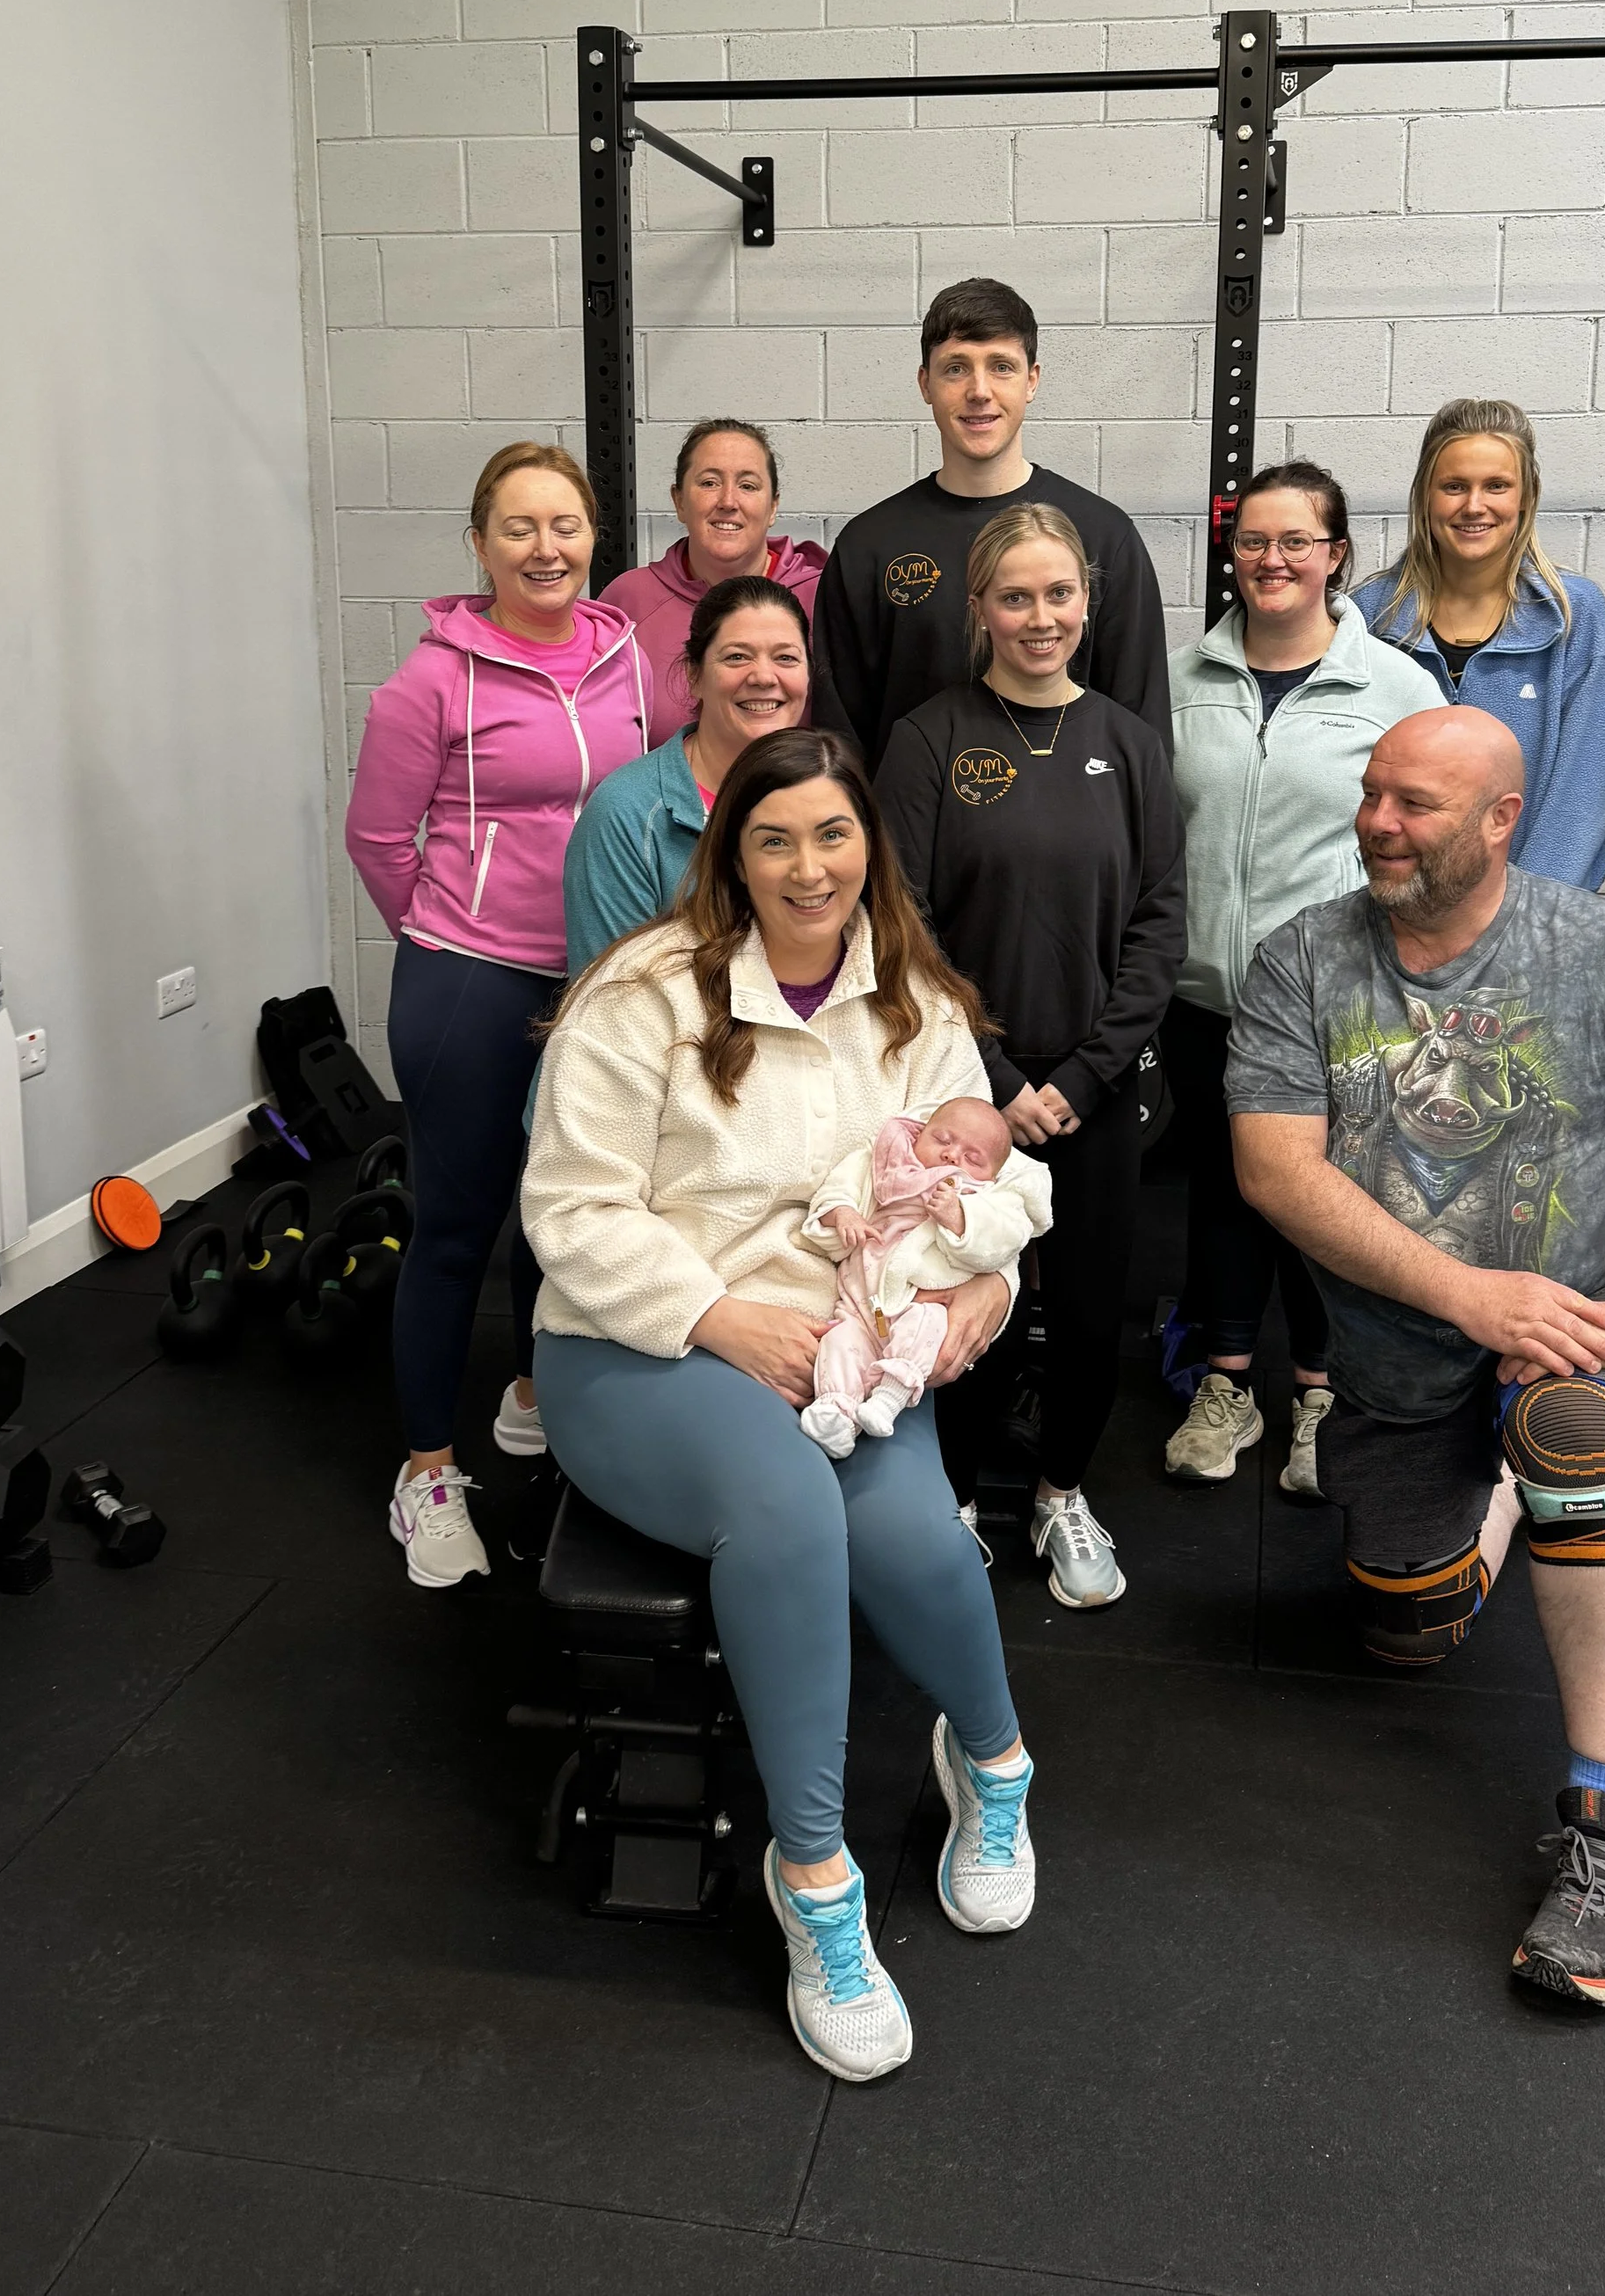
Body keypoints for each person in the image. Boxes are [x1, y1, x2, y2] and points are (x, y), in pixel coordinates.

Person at [1229, 705, 1605, 2007]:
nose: (1377, 820)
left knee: (1572, 1434)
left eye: (1414, 803)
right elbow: (1272, 1166)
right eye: (1373, 793)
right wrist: (1466, 1297)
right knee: (1404, 1631)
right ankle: (1484, 1501)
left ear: (1499, 821)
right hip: (1405, 1358)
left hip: (1577, 1341)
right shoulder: (1301, 960)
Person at [524, 731, 1035, 2084]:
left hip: (841, 1347)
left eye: (833, 835)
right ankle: (816, 1882)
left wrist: (988, 1289)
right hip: (641, 1340)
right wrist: (713, 1315)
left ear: (870, 844)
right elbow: (568, 1213)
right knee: (791, 1516)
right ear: (730, 856)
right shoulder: (642, 997)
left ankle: (994, 1766)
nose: (809, 867)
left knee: (924, 1542)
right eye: (775, 839)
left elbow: (971, 1187)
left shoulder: (915, 1001)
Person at [345, 441, 652, 1590]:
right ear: (480, 543)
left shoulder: (624, 658)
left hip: (593, 981)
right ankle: (426, 1471)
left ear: (592, 539)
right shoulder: (429, 681)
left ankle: (533, 1394)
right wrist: (447, 935)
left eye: (564, 525)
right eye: (518, 527)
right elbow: (379, 840)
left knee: (557, 1217)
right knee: (457, 1230)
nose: (545, 547)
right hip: (471, 979)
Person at [878, 503, 1186, 1608]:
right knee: (962, 1300)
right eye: (1016, 596)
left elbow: (1159, 930)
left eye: (1060, 594)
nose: (1040, 616)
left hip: (1095, 1092)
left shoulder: (1129, 743)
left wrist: (1078, 1081)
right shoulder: (929, 740)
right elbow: (902, 924)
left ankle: (1060, 1495)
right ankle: (954, 1500)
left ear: (1087, 602)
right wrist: (1001, 1089)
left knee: (1093, 1310)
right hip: (964, 1091)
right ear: (980, 610)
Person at [1164, 459, 1441, 1495]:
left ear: (1335, 556)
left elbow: (1429, 838)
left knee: (1327, 1204)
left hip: (1336, 1001)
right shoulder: (1181, 679)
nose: (1270, 560)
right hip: (1204, 996)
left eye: (1296, 542)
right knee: (1227, 1197)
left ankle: (1321, 1393)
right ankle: (1228, 1385)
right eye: (1251, 542)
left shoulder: (1396, 688)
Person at [813, 276, 1170, 772]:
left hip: (1074, 837)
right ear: (925, 384)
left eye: (1001, 367)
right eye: (956, 369)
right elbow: (838, 741)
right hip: (907, 838)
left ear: (1032, 380)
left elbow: (1141, 728)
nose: (979, 392)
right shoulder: (868, 547)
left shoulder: (1103, 537)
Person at [1353, 397, 1605, 889]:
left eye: (1496, 485)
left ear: (1526, 495)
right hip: (1390, 912)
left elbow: (1582, 795)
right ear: (1425, 497)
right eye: (1454, 486)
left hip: (1527, 922)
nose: (1474, 506)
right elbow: (1347, 781)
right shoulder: (1370, 614)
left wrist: (1529, 923)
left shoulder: (1571, 616)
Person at [561, 575, 810, 976]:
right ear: (694, 676)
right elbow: (609, 1004)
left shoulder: (831, 798)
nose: (764, 677)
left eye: (786, 658)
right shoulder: (626, 814)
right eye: (736, 657)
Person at [799, 1099, 1053, 1457]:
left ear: (992, 1175)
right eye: (943, 1139)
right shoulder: (884, 1163)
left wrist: (962, 1219)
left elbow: (1006, 1239)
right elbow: (838, 1188)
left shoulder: (988, 1196)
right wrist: (841, 1214)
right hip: (862, 1305)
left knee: (927, 1325)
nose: (952, 1157)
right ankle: (835, 1411)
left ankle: (890, 1396)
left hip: (924, 1299)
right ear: (918, 1134)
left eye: (973, 1158)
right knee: (840, 1340)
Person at [601, 417, 826, 736]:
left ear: (773, 507)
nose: (728, 502)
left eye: (748, 485)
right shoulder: (629, 602)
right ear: (679, 501)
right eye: (709, 483)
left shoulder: (823, 598)